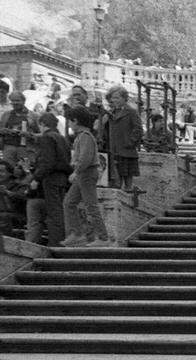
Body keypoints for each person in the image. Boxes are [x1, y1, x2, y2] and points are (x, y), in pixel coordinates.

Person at [60, 106, 113, 247]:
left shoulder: (85, 137)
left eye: (70, 122)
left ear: (75, 121)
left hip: (86, 173)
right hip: (84, 173)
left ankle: (103, 237)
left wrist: (76, 171)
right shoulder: (83, 137)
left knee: (91, 205)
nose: (69, 125)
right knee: (69, 202)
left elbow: (85, 158)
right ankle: (77, 233)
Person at [28, 112, 70, 245]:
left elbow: (47, 162)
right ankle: (60, 240)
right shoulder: (62, 138)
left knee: (53, 213)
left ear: (42, 124)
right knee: (59, 211)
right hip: (63, 178)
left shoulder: (46, 138)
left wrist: (36, 178)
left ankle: (55, 244)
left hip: (51, 178)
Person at [102, 84, 144, 193]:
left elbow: (138, 129)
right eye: (112, 97)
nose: (114, 100)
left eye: (117, 97)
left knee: (127, 178)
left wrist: (130, 142)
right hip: (114, 149)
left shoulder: (131, 111)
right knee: (116, 180)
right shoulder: (110, 113)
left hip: (126, 149)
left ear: (124, 98)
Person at [0, 91, 37, 166]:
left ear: (24, 101)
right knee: (7, 171)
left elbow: (41, 134)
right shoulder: (6, 114)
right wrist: (4, 131)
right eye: (13, 101)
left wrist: (29, 134)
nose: (15, 103)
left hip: (25, 148)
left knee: (24, 170)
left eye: (17, 100)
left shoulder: (33, 116)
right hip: (8, 147)